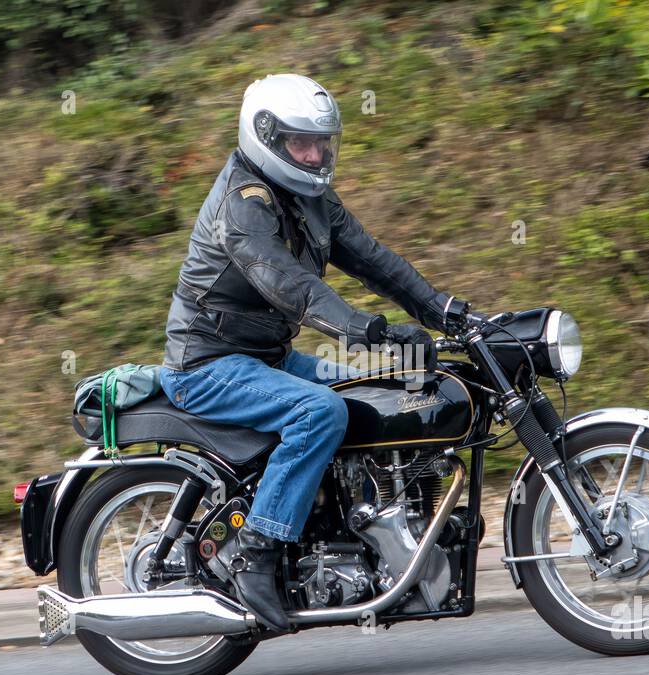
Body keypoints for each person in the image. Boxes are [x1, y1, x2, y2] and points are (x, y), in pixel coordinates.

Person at [159, 74, 470, 631]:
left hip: (267, 358)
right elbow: (287, 283)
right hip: (208, 364)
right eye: (302, 142)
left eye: (323, 141)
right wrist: (365, 330)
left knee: (381, 392)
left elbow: (375, 261)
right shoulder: (242, 204)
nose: (317, 153)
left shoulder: (312, 196)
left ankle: (369, 526)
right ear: (267, 139)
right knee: (318, 411)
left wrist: (443, 310)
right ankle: (257, 551)